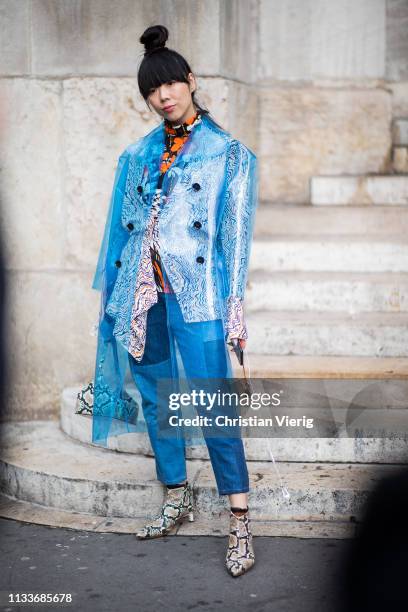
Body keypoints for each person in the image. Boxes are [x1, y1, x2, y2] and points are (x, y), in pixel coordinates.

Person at [91, 24, 259, 577]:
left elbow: (233, 239)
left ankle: (238, 517)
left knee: (211, 400)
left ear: (190, 81)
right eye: (151, 91)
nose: (163, 96)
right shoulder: (136, 155)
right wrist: (118, 298)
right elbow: (121, 231)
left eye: (170, 84)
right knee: (159, 396)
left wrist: (234, 309)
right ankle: (176, 494)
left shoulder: (228, 154)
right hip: (144, 294)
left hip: (200, 294)